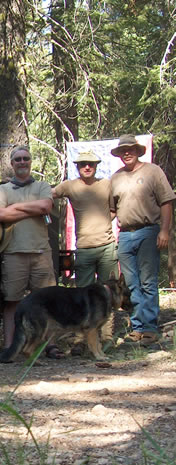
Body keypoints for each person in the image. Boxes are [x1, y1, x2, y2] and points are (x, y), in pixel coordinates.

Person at [0, 146, 58, 356]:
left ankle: (50, 345)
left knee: (48, 301)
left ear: (30, 161)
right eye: (18, 159)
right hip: (13, 253)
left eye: (25, 159)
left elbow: (45, 207)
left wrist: (14, 208)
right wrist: (32, 209)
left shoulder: (42, 186)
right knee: (12, 301)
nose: (22, 162)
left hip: (41, 253)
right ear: (12, 163)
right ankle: (9, 347)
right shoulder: (3, 190)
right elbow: (0, 215)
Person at [110, 134, 175, 345]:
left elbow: (166, 202)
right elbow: (112, 210)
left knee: (148, 281)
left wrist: (164, 231)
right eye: (123, 150)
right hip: (125, 234)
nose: (127, 153)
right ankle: (137, 327)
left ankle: (150, 328)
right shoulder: (116, 177)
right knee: (131, 283)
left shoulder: (152, 172)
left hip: (148, 231)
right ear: (119, 154)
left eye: (130, 149)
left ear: (138, 151)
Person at [53, 151, 118, 343]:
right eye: (83, 164)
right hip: (83, 248)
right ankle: (81, 338)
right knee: (82, 295)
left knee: (109, 293)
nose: (87, 167)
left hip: (107, 246)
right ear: (77, 166)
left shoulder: (106, 184)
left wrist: (102, 224)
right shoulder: (70, 186)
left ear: (96, 165)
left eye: (91, 163)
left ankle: (106, 337)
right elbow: (50, 195)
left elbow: (114, 209)